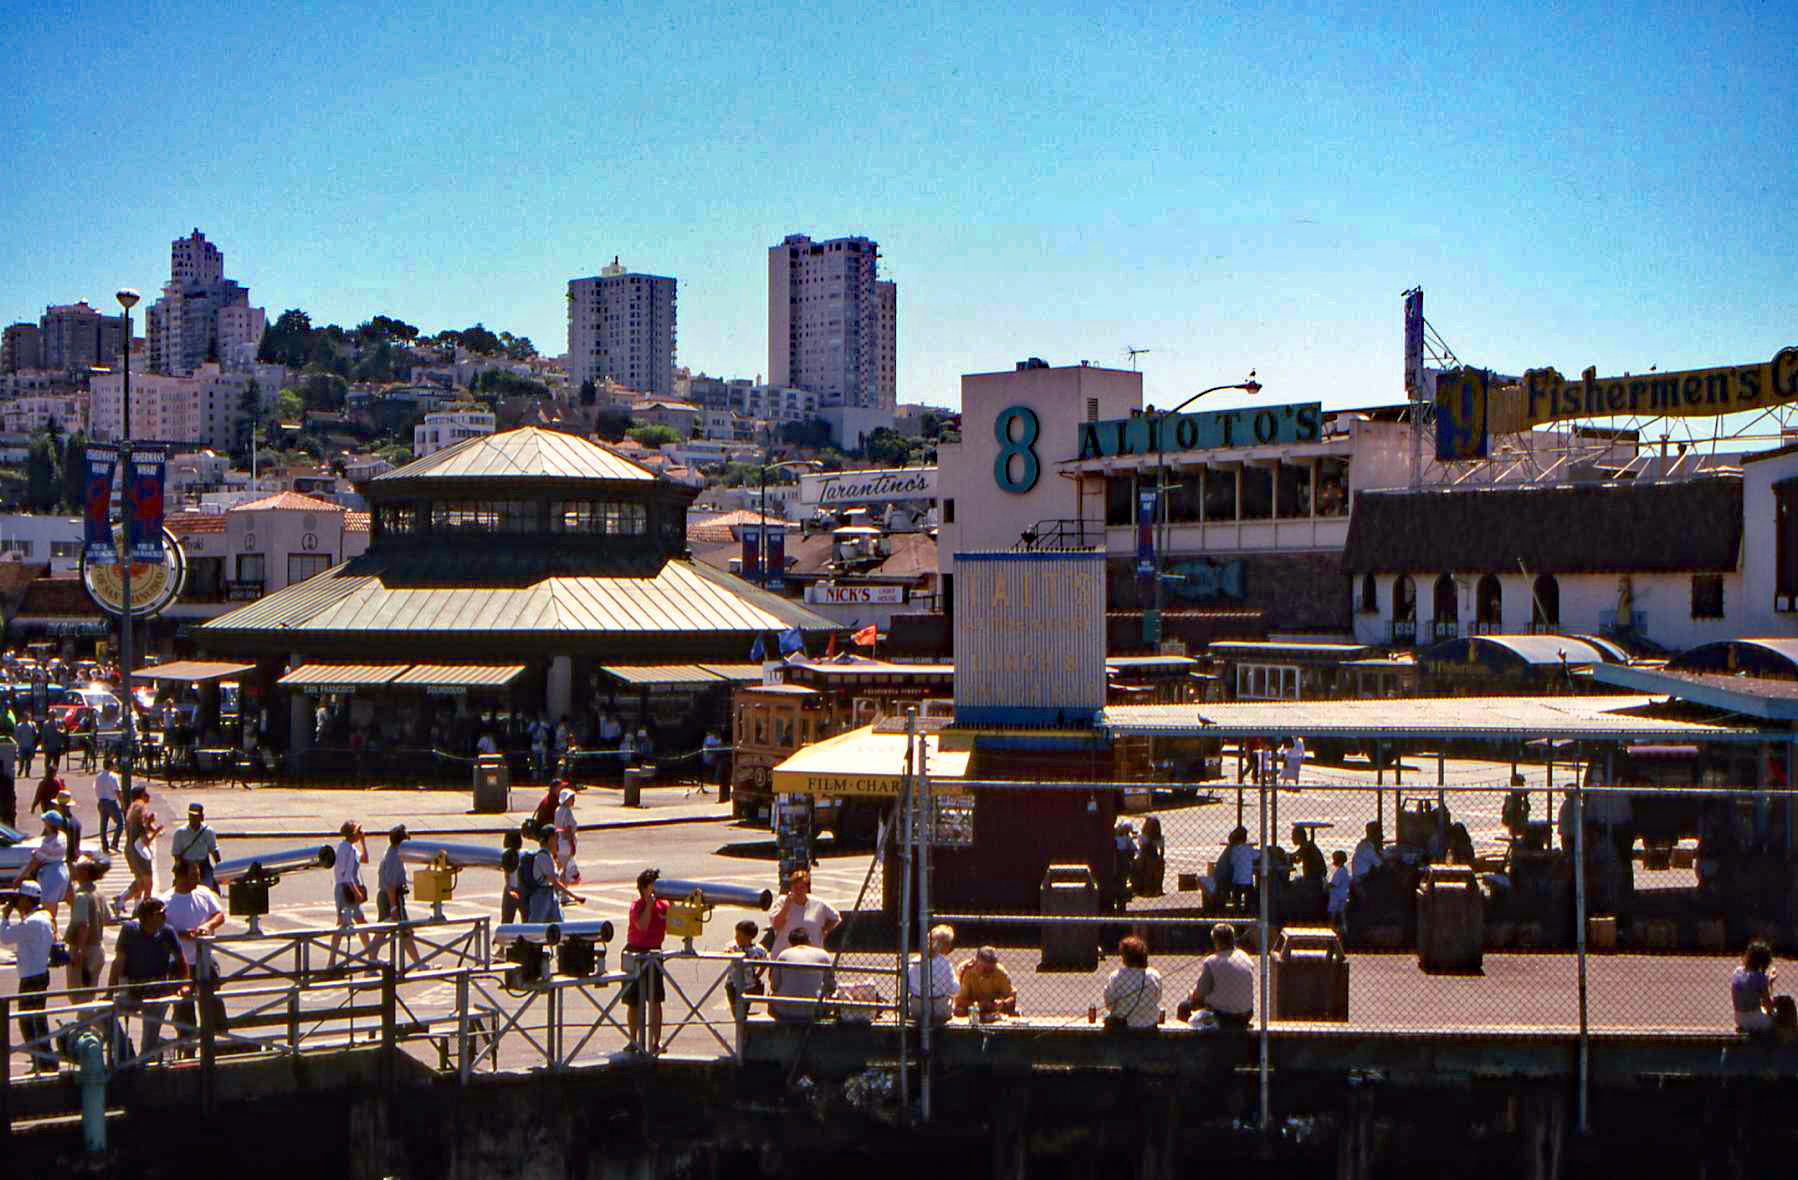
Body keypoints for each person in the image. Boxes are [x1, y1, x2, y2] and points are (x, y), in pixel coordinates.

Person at [108, 897, 187, 1062]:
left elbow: (181, 960)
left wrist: (184, 985)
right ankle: (124, 1048)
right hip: (133, 989)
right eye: (161, 913)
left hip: (158, 991)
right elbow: (118, 962)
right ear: (149, 916)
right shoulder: (129, 930)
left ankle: (144, 1067)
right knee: (102, 1014)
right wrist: (110, 993)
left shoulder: (167, 932)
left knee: (149, 1043)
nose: (165, 916)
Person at [162, 860, 226, 1055]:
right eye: (194, 874)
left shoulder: (204, 893)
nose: (198, 877)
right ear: (181, 876)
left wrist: (208, 926)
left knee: (213, 1003)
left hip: (205, 960)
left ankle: (217, 1045)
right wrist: (182, 934)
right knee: (183, 1009)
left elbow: (219, 915)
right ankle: (187, 1050)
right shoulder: (165, 900)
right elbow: (163, 928)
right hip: (180, 964)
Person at [2, 880, 56, 1070]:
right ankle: (44, 1059)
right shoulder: (44, 916)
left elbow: (5, 937)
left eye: (20, 899)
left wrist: (5, 917)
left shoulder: (32, 922)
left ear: (27, 899)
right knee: (38, 1020)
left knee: (28, 1022)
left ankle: (43, 1060)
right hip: (39, 972)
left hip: (31, 977)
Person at [623, 868, 670, 1053]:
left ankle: (655, 1041)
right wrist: (649, 905)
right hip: (635, 952)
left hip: (654, 953)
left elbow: (676, 922)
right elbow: (641, 926)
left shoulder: (664, 906)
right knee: (633, 1000)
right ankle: (633, 1040)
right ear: (643, 888)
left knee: (655, 999)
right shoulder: (637, 906)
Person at [1178, 923, 1255, 1030]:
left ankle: (1190, 1041)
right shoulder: (1244, 956)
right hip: (1246, 1014)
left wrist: (1192, 995)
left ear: (1216, 941)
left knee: (1184, 1006)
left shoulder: (1211, 961)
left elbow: (1200, 994)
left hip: (1224, 1015)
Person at [328, 820, 375, 964]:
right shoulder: (347, 849)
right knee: (345, 924)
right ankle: (332, 962)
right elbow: (347, 875)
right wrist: (356, 892)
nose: (362, 833)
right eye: (359, 831)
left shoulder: (349, 848)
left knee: (359, 922)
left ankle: (371, 956)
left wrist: (363, 842)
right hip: (346, 889)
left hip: (346, 888)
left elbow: (365, 859)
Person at [375, 825, 422, 968]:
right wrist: (394, 907)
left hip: (389, 897)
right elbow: (390, 884)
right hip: (391, 898)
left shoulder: (394, 852)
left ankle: (418, 963)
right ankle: (419, 964)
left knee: (387, 930)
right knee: (404, 930)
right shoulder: (394, 856)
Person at [115, 785, 164, 917]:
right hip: (139, 850)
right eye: (145, 793)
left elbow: (144, 825)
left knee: (140, 881)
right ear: (141, 795)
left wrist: (150, 824)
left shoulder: (133, 808)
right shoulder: (141, 809)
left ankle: (129, 905)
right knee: (148, 883)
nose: (148, 796)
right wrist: (156, 832)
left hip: (130, 848)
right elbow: (145, 839)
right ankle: (145, 912)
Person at [769, 926, 834, 1023]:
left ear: (790, 942)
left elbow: (774, 985)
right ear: (809, 940)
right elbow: (831, 985)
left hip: (785, 1010)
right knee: (829, 995)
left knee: (770, 994)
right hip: (815, 1010)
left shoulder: (783, 955)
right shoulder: (823, 954)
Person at [768, 867, 841, 954]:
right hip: (785, 953)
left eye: (802, 887)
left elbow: (836, 917)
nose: (798, 891)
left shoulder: (818, 903)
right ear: (791, 887)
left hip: (812, 954)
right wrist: (786, 907)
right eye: (795, 887)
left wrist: (824, 931)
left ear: (807, 888)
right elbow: (776, 925)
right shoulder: (782, 902)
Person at [65, 855, 111, 990]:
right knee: (89, 995)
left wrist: (79, 951)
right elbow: (107, 918)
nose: (73, 870)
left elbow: (83, 925)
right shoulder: (99, 893)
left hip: (85, 951)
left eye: (76, 868)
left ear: (84, 872)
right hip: (98, 948)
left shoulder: (82, 897)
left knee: (79, 997)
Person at [15, 810, 70, 923]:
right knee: (52, 906)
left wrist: (20, 877)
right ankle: (53, 932)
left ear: (49, 824)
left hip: (51, 874)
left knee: (48, 908)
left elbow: (35, 861)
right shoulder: (62, 836)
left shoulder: (49, 841)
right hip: (61, 870)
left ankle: (52, 934)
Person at [1101, 935, 1162, 1030]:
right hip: (1149, 1023)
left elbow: (1109, 1003)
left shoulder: (1116, 976)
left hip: (1124, 1025)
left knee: (1107, 1016)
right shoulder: (1154, 975)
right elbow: (1157, 997)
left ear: (1125, 957)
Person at [907, 924, 957, 1025]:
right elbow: (955, 989)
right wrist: (961, 973)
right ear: (945, 945)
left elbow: (908, 987)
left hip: (917, 1008)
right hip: (940, 1010)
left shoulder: (914, 961)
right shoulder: (945, 964)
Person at [954, 945, 1018, 1019]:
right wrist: (979, 1005)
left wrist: (1003, 1003)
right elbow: (959, 1000)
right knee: (959, 1011)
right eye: (985, 969)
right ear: (976, 962)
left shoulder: (1000, 972)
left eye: (991, 970)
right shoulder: (967, 971)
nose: (988, 973)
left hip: (994, 1009)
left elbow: (1011, 997)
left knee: (1016, 1012)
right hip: (973, 1008)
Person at [171, 802, 221, 890]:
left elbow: (214, 850)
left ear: (201, 817)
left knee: (209, 889)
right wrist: (179, 871)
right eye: (190, 816)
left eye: (195, 816)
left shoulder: (208, 831)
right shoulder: (180, 832)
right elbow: (176, 853)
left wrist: (219, 867)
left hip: (203, 865)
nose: (192, 819)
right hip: (186, 865)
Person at [723, 918, 768, 1012]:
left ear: (749, 937)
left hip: (748, 985)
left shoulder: (758, 950)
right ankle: (738, 1021)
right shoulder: (734, 946)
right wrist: (729, 951)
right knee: (735, 1007)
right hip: (732, 983)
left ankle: (742, 1022)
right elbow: (728, 948)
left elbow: (766, 962)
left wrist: (757, 975)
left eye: (739, 935)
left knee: (744, 1008)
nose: (736, 938)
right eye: (736, 935)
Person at [1733, 939, 1777, 1035]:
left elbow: (1749, 989)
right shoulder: (1761, 977)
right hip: (1755, 1021)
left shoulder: (1737, 972)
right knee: (1783, 1012)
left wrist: (1767, 982)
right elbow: (1768, 1006)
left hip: (1739, 1018)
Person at [1131, 816, 1167, 898]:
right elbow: (1143, 848)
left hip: (1153, 855)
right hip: (1144, 855)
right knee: (1145, 866)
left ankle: (1156, 888)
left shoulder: (1159, 836)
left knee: (1157, 866)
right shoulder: (1143, 836)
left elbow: (1161, 850)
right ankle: (1145, 889)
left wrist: (1160, 859)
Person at [95, 755, 123, 853]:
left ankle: (105, 846)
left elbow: (96, 788)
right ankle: (114, 843)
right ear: (111, 766)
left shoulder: (98, 776)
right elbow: (117, 791)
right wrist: (122, 803)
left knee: (103, 825)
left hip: (101, 801)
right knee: (120, 823)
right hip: (111, 802)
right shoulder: (113, 776)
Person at [553, 787, 578, 874]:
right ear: (566, 799)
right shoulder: (567, 812)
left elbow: (556, 828)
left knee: (560, 867)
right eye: (571, 798)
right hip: (566, 844)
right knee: (566, 870)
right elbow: (568, 830)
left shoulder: (557, 810)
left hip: (559, 843)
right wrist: (572, 846)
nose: (573, 800)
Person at [1327, 849, 1352, 934]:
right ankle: (1344, 929)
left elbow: (1334, 884)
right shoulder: (1344, 870)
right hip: (1343, 894)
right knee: (1342, 913)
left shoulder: (1340, 872)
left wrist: (1326, 885)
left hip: (1336, 896)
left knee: (1333, 914)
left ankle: (1332, 928)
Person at [16, 713, 36, 777]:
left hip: (30, 745)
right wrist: (19, 742)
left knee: (29, 760)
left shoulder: (32, 725)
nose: (26, 718)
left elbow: (35, 734)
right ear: (22, 718)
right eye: (25, 717)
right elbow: (17, 736)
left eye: (28, 717)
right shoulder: (19, 726)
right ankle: (20, 770)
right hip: (22, 746)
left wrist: (34, 743)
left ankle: (27, 772)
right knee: (21, 760)